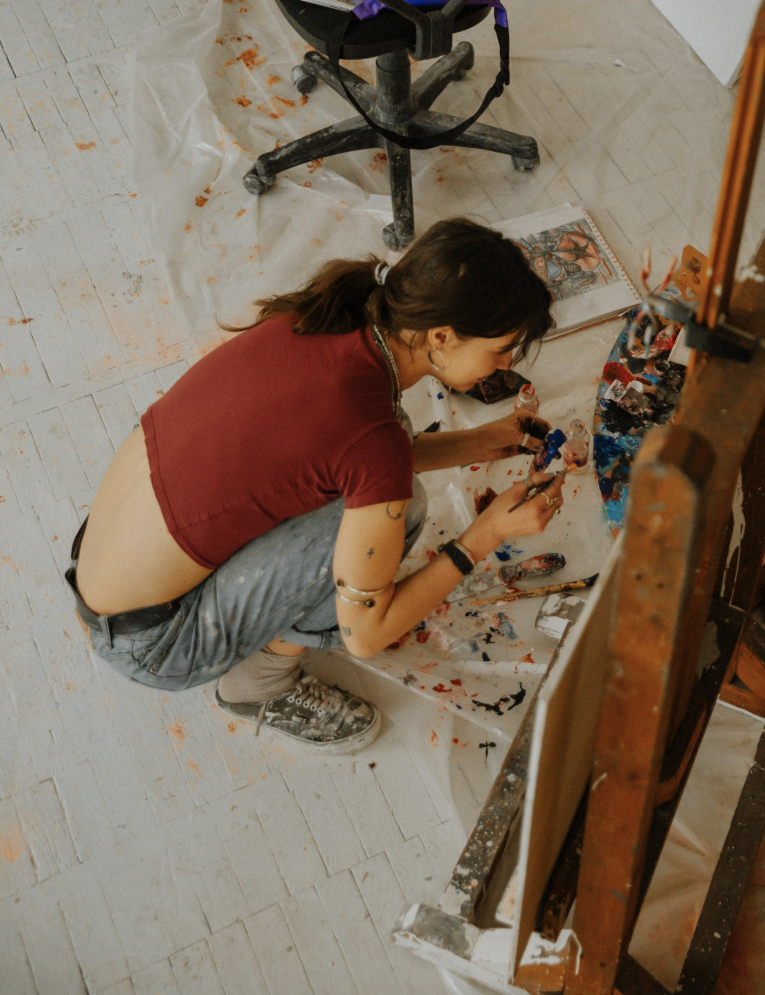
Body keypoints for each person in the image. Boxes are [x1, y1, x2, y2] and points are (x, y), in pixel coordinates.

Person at [68, 218, 565, 753]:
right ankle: (256, 687)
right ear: (442, 337)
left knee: (385, 484)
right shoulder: (373, 441)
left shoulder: (324, 318)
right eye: (503, 349)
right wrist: (483, 537)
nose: (507, 364)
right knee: (407, 510)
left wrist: (483, 441)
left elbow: (340, 458)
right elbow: (366, 636)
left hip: (104, 562)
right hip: (154, 643)